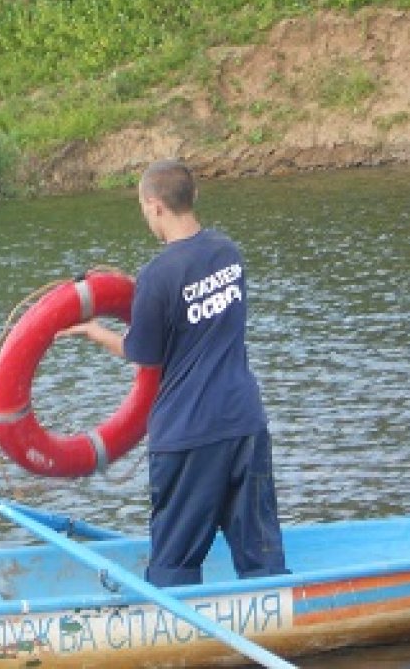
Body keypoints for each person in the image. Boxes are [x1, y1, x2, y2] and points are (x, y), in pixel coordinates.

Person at [62, 159, 287, 587]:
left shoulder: (157, 276)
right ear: (193, 196)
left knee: (174, 563)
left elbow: (143, 354)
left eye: (143, 208)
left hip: (188, 434)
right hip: (244, 422)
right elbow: (192, 308)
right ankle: (279, 607)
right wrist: (144, 292)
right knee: (261, 552)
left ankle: (172, 620)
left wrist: (94, 331)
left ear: (155, 205)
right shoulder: (228, 252)